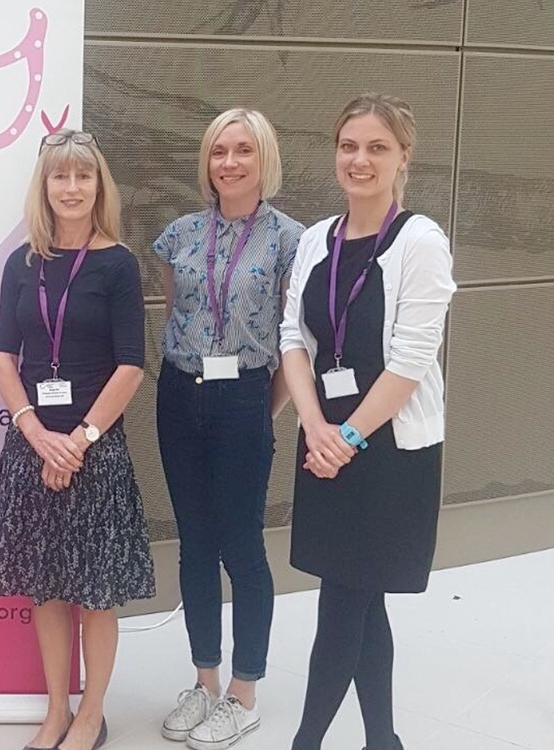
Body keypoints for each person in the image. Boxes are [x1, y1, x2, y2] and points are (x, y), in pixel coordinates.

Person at [279, 93, 456, 750]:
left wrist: (347, 436)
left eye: (377, 147)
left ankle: (307, 742)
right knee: (359, 594)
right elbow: (292, 338)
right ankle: (383, 739)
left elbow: (411, 360)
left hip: (387, 452)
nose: (360, 159)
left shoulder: (420, 242)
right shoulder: (315, 239)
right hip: (324, 442)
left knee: (344, 599)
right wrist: (315, 425)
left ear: (402, 157)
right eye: (349, 145)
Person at [0, 129, 155, 750]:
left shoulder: (117, 264)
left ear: (98, 186)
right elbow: (4, 357)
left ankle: (92, 713)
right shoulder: (22, 263)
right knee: (47, 587)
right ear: (45, 185)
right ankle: (56, 709)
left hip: (95, 446)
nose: (72, 187)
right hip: (32, 446)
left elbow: (130, 366)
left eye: (83, 176)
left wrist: (79, 440)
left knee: (95, 591)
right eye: (60, 176)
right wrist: (35, 432)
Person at [153, 109, 304, 749]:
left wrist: (260, 410)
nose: (230, 163)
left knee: (241, 545)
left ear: (263, 159)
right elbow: (175, 308)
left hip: (245, 395)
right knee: (194, 543)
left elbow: (294, 336)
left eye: (243, 150)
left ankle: (244, 691)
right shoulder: (179, 234)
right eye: (220, 151)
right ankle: (205, 680)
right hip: (179, 395)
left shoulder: (292, 240)